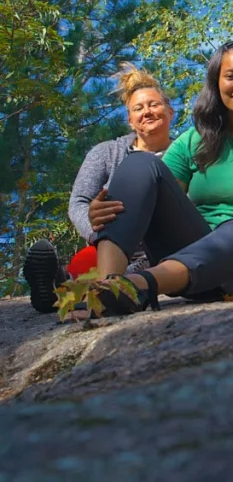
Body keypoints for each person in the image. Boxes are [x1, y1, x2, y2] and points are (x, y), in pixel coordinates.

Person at [69, 40, 233, 317]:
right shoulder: (194, 139)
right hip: (198, 269)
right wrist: (105, 211)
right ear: (216, 82)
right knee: (139, 163)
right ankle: (109, 290)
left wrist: (226, 239)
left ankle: (139, 285)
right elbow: (151, 195)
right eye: (230, 76)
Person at [22, 65, 174, 314]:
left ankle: (94, 288)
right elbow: (79, 201)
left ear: (170, 111)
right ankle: (57, 286)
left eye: (154, 105)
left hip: (165, 247)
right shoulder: (106, 153)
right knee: (86, 266)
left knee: (161, 264)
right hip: (110, 245)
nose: (147, 112)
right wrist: (97, 231)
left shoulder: (187, 153)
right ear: (130, 120)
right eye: (138, 108)